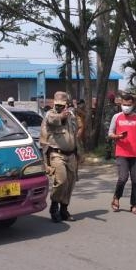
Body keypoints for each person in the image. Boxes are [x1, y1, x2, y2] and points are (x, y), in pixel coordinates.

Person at [41, 91, 80, 223]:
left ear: (67, 104)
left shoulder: (72, 115)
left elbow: (76, 132)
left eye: (62, 105)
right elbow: (53, 120)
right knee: (61, 181)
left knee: (70, 183)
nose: (59, 107)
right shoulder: (50, 114)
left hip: (71, 154)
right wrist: (62, 116)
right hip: (56, 154)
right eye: (57, 105)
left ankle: (64, 209)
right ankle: (54, 205)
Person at [107, 93, 136, 214]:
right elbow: (110, 133)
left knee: (135, 180)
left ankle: (134, 205)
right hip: (121, 153)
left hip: (135, 154)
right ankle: (116, 198)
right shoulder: (116, 117)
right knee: (123, 178)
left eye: (128, 105)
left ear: (133, 105)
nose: (126, 107)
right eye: (124, 104)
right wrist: (117, 136)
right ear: (121, 104)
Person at [103, 92, 120, 160]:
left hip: (112, 124)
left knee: (111, 140)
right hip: (109, 124)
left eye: (111, 99)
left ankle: (111, 154)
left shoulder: (116, 107)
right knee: (110, 140)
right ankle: (110, 154)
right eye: (111, 98)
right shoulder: (115, 107)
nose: (111, 100)